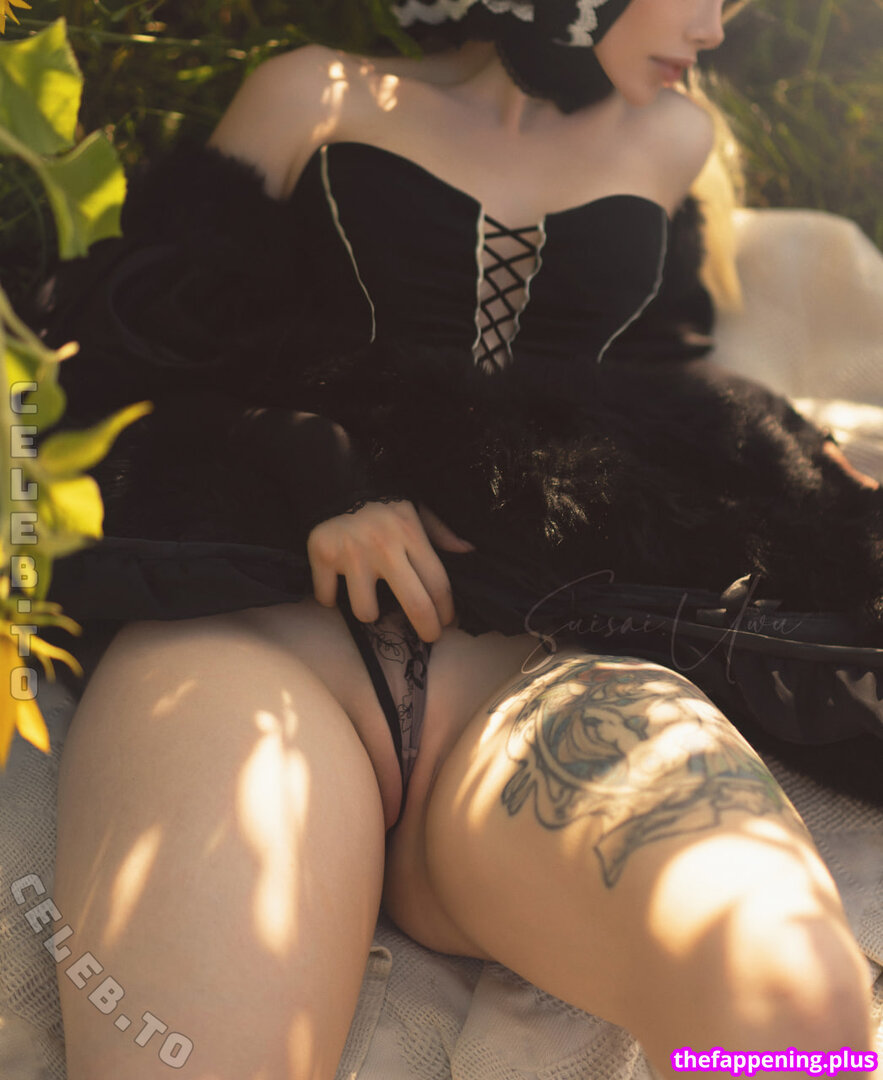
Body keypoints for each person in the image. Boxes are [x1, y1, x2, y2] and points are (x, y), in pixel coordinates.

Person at [39, 1, 879, 1077]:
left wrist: (815, 477)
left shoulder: (673, 140)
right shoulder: (308, 94)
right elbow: (122, 355)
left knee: (798, 1022)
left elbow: (663, 394)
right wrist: (316, 473)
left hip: (535, 668)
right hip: (257, 637)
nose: (717, 29)